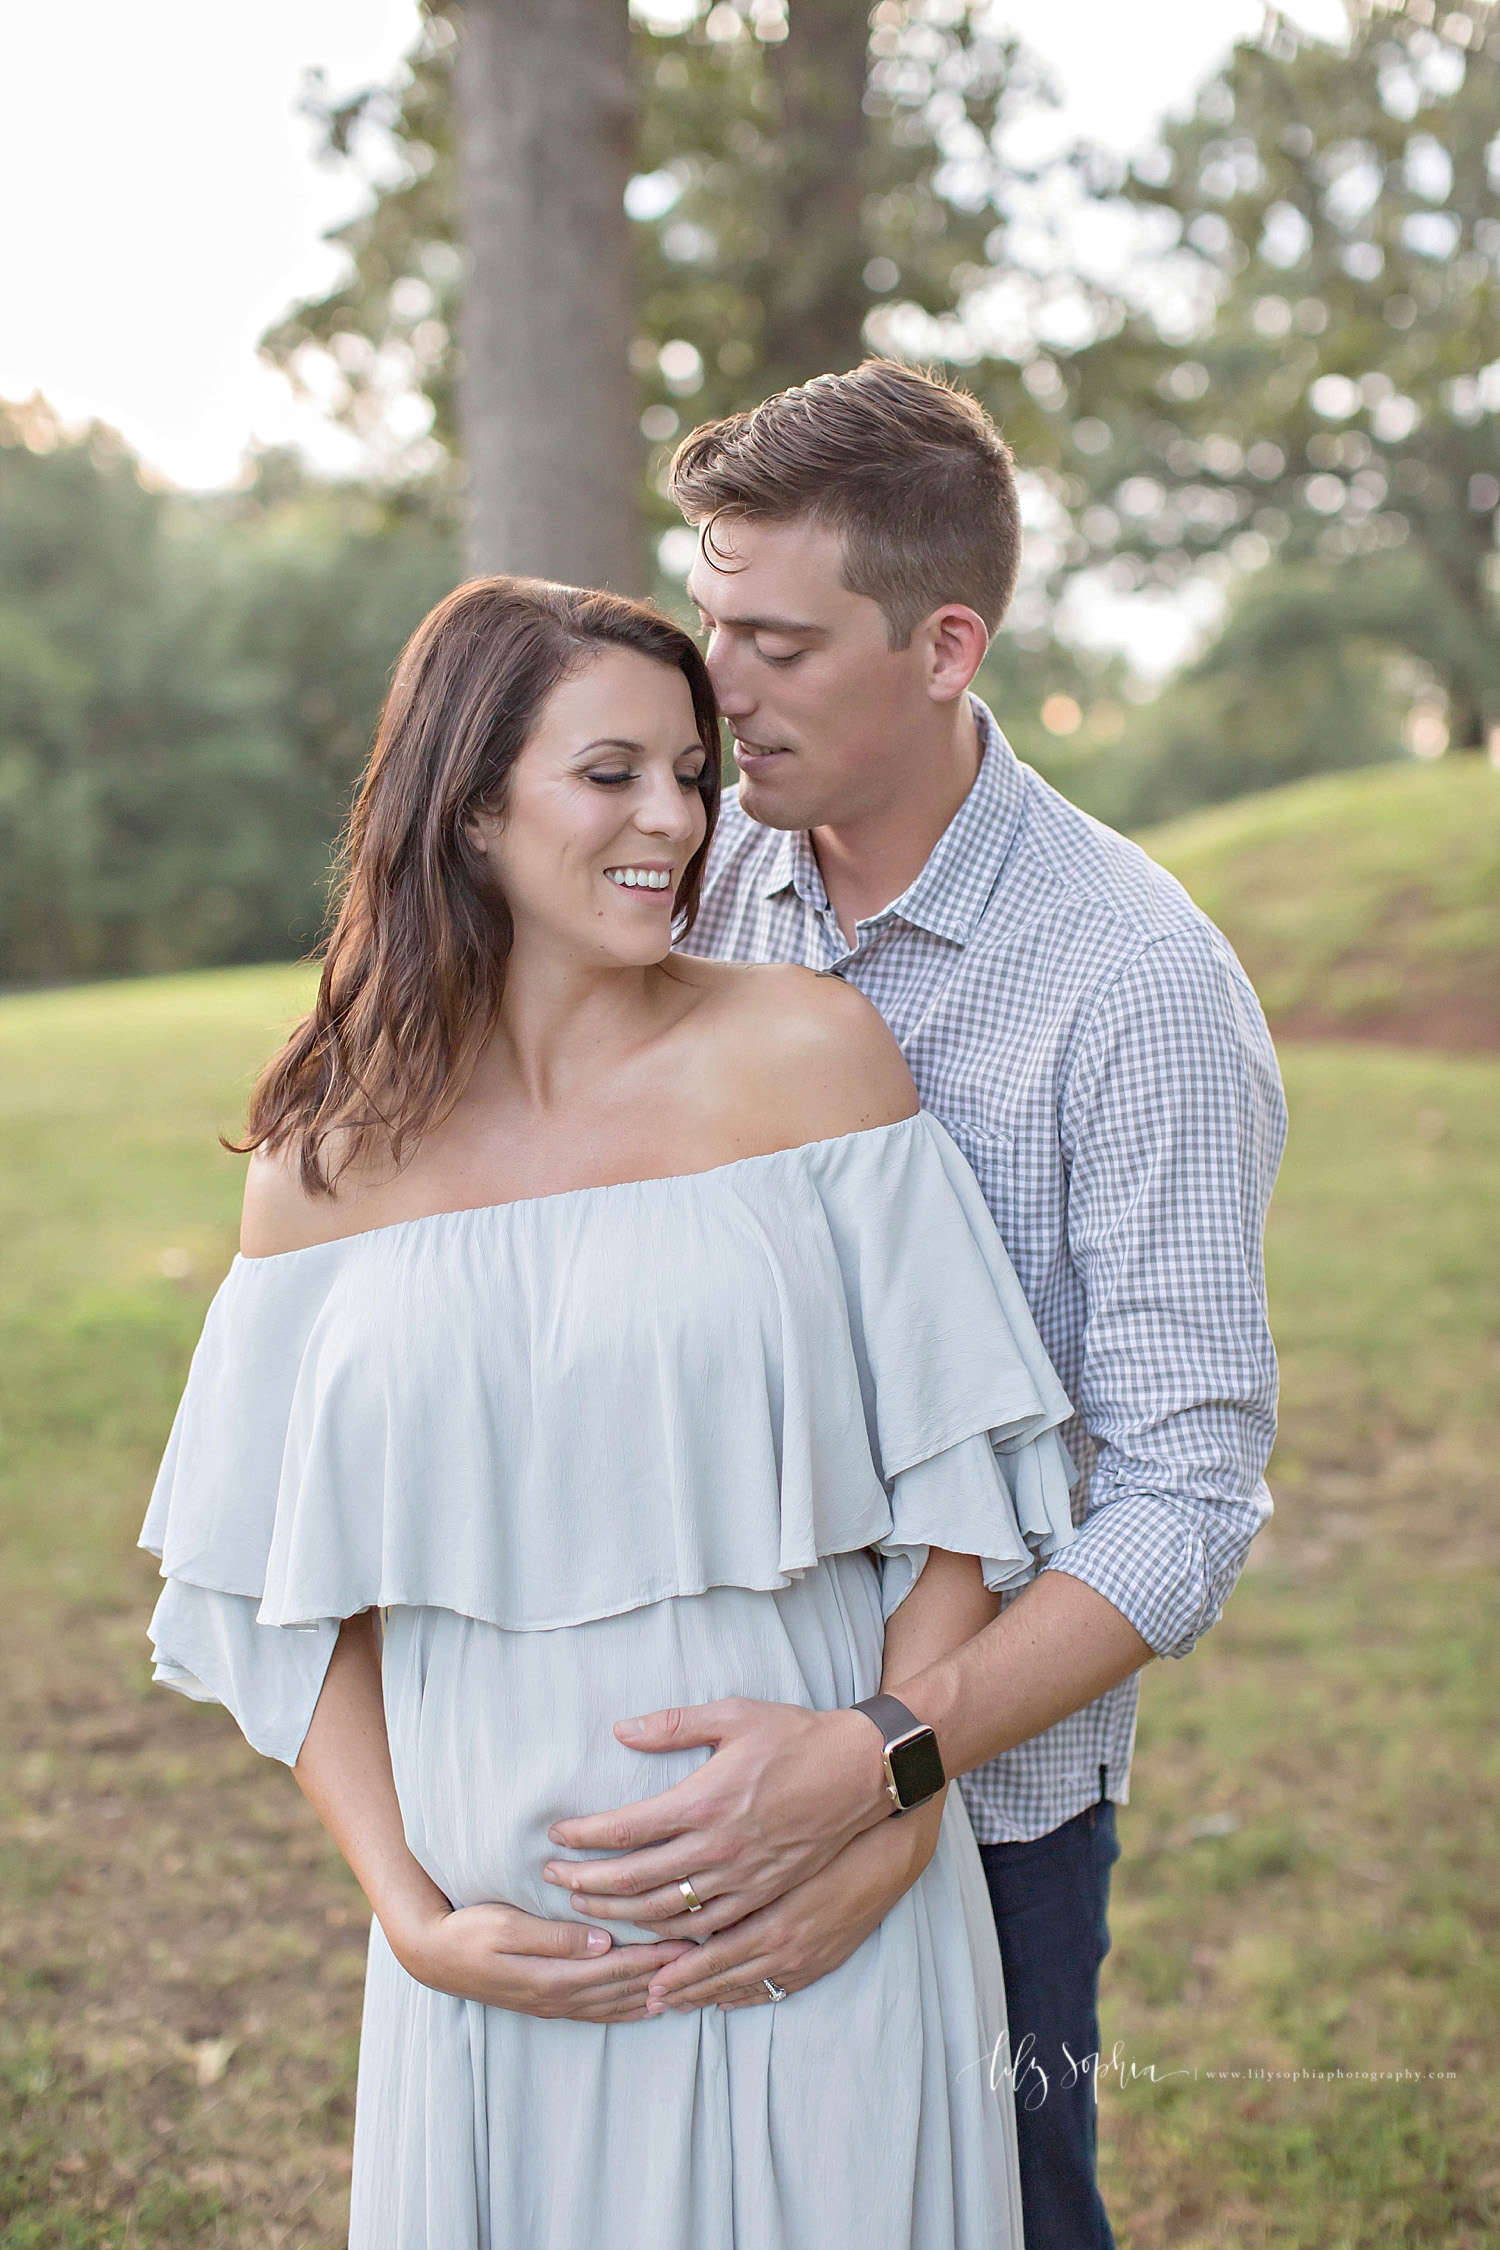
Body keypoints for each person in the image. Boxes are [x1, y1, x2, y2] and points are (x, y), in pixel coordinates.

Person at [139, 574, 1089, 2248]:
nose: (677, 818)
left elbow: (965, 1499)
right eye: (612, 773)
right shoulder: (323, 1164)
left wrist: (884, 1806)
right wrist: (410, 1912)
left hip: (817, 1915)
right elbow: (284, 1616)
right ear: (473, 804)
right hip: (501, 1974)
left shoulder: (808, 1056)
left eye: (694, 772)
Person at [527, 361, 1288, 2250]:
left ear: (948, 645)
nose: (718, 682)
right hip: (649, 1751)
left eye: (777, 640)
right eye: (710, 618)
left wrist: (886, 1754)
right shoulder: (681, 888)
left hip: (993, 1807)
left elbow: (1187, 1492)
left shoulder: (1137, 985)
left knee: (991, 2212)